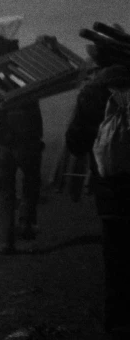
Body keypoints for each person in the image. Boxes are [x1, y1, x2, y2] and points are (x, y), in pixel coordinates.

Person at [65, 37, 130, 339]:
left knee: (115, 258)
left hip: (110, 193)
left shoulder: (92, 92)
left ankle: (116, 319)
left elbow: (75, 143)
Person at [0, 36, 44, 255]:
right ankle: (27, 222)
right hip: (27, 141)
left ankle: (6, 242)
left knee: (4, 194)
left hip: (1, 142)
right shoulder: (29, 75)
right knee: (30, 184)